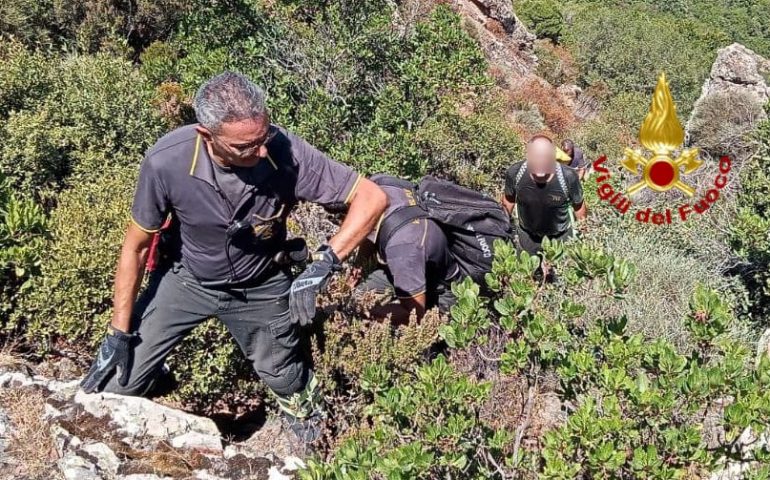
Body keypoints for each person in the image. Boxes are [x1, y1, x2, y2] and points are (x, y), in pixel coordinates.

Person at [79, 72, 388, 445]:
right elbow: (135, 247)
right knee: (118, 381)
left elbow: (371, 197)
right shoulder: (168, 161)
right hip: (187, 278)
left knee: (286, 377)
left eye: (263, 137)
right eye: (244, 146)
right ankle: (155, 375)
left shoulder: (283, 150)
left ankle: (317, 443)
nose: (259, 152)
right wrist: (118, 332)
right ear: (206, 136)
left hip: (260, 284)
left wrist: (324, 263)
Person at [352, 175, 461, 325]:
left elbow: (414, 315)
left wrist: (363, 312)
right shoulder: (380, 184)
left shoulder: (402, 251)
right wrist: (355, 272)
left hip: (442, 287)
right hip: (413, 261)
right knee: (357, 296)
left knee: (432, 335)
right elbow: (367, 235)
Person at [501, 135, 586, 275]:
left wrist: (584, 232)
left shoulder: (568, 177)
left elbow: (579, 206)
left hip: (560, 238)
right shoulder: (515, 173)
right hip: (528, 236)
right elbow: (509, 200)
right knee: (526, 277)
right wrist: (502, 226)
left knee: (560, 279)